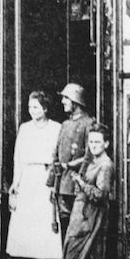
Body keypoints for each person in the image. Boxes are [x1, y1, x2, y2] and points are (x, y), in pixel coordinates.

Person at [57, 122, 115, 259]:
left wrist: (80, 182)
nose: (93, 146)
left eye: (98, 142)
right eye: (91, 142)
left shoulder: (105, 165)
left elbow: (100, 195)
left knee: (89, 258)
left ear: (106, 143)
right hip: (81, 212)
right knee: (75, 254)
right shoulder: (91, 162)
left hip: (93, 216)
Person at [6, 91, 63, 259]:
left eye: (36, 107)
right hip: (28, 176)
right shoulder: (24, 128)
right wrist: (16, 182)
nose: (32, 111)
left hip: (46, 176)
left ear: (45, 108)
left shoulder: (56, 128)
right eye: (30, 107)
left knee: (45, 217)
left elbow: (60, 156)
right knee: (26, 218)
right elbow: (18, 157)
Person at [48, 83, 93, 243]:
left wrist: (72, 167)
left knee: (78, 229)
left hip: (78, 185)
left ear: (76, 100)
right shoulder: (65, 125)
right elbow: (56, 153)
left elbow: (90, 155)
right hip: (62, 184)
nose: (63, 102)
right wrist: (53, 182)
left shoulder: (89, 124)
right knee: (64, 226)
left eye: (66, 98)